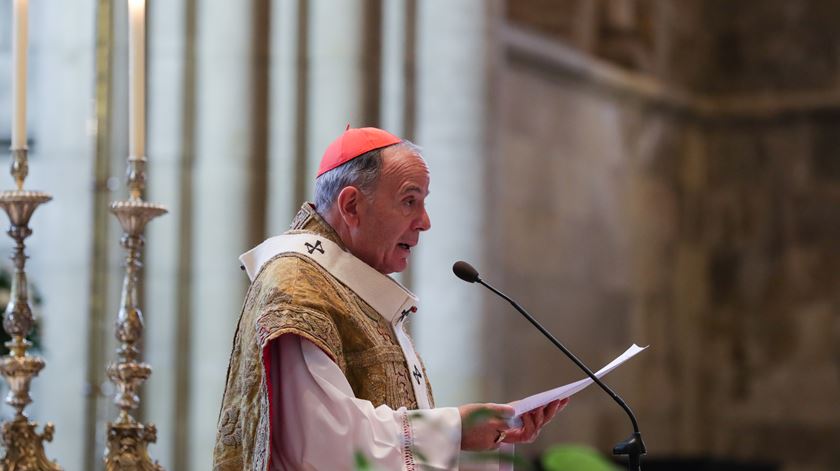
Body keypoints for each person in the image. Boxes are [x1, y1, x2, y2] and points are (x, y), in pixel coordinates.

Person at [212, 127, 568, 470]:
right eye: (409, 201)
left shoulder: (353, 288)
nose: (425, 222)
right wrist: (455, 430)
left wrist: (483, 433)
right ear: (351, 206)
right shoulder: (297, 287)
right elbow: (323, 443)